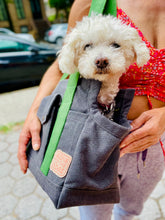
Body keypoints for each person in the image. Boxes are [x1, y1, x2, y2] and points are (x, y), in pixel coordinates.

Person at [18, 0, 165, 219]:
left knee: (130, 210)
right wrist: (34, 112)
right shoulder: (92, 2)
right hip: (90, 137)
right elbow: (62, 65)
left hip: (154, 145)